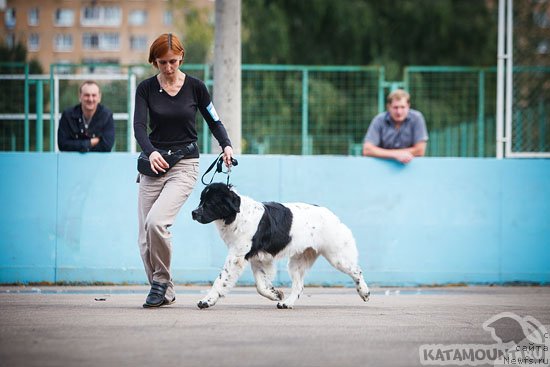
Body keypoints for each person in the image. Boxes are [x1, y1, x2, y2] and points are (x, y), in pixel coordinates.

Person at [134, 33, 234, 308]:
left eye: (174, 62)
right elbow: (140, 127)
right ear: (154, 62)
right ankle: (165, 291)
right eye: (163, 62)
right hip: (153, 164)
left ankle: (160, 283)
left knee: (157, 223)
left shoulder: (196, 87)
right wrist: (151, 152)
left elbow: (214, 120)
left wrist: (226, 145)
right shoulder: (145, 89)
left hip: (184, 164)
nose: (168, 68)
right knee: (144, 240)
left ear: (182, 58)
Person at [362, 89, 428, 164]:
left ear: (408, 106)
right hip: (383, 167)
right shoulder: (379, 120)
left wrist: (387, 153)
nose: (399, 112)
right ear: (388, 107)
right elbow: (367, 150)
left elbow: (420, 150)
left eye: (402, 107)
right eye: (395, 107)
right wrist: (395, 155)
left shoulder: (417, 118)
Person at [58, 81, 115, 152]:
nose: (90, 99)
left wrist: (77, 145)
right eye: (87, 95)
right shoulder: (67, 115)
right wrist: (90, 142)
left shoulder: (107, 115)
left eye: (94, 95)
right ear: (80, 96)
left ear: (99, 97)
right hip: (72, 160)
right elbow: (62, 144)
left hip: (99, 161)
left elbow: (107, 146)